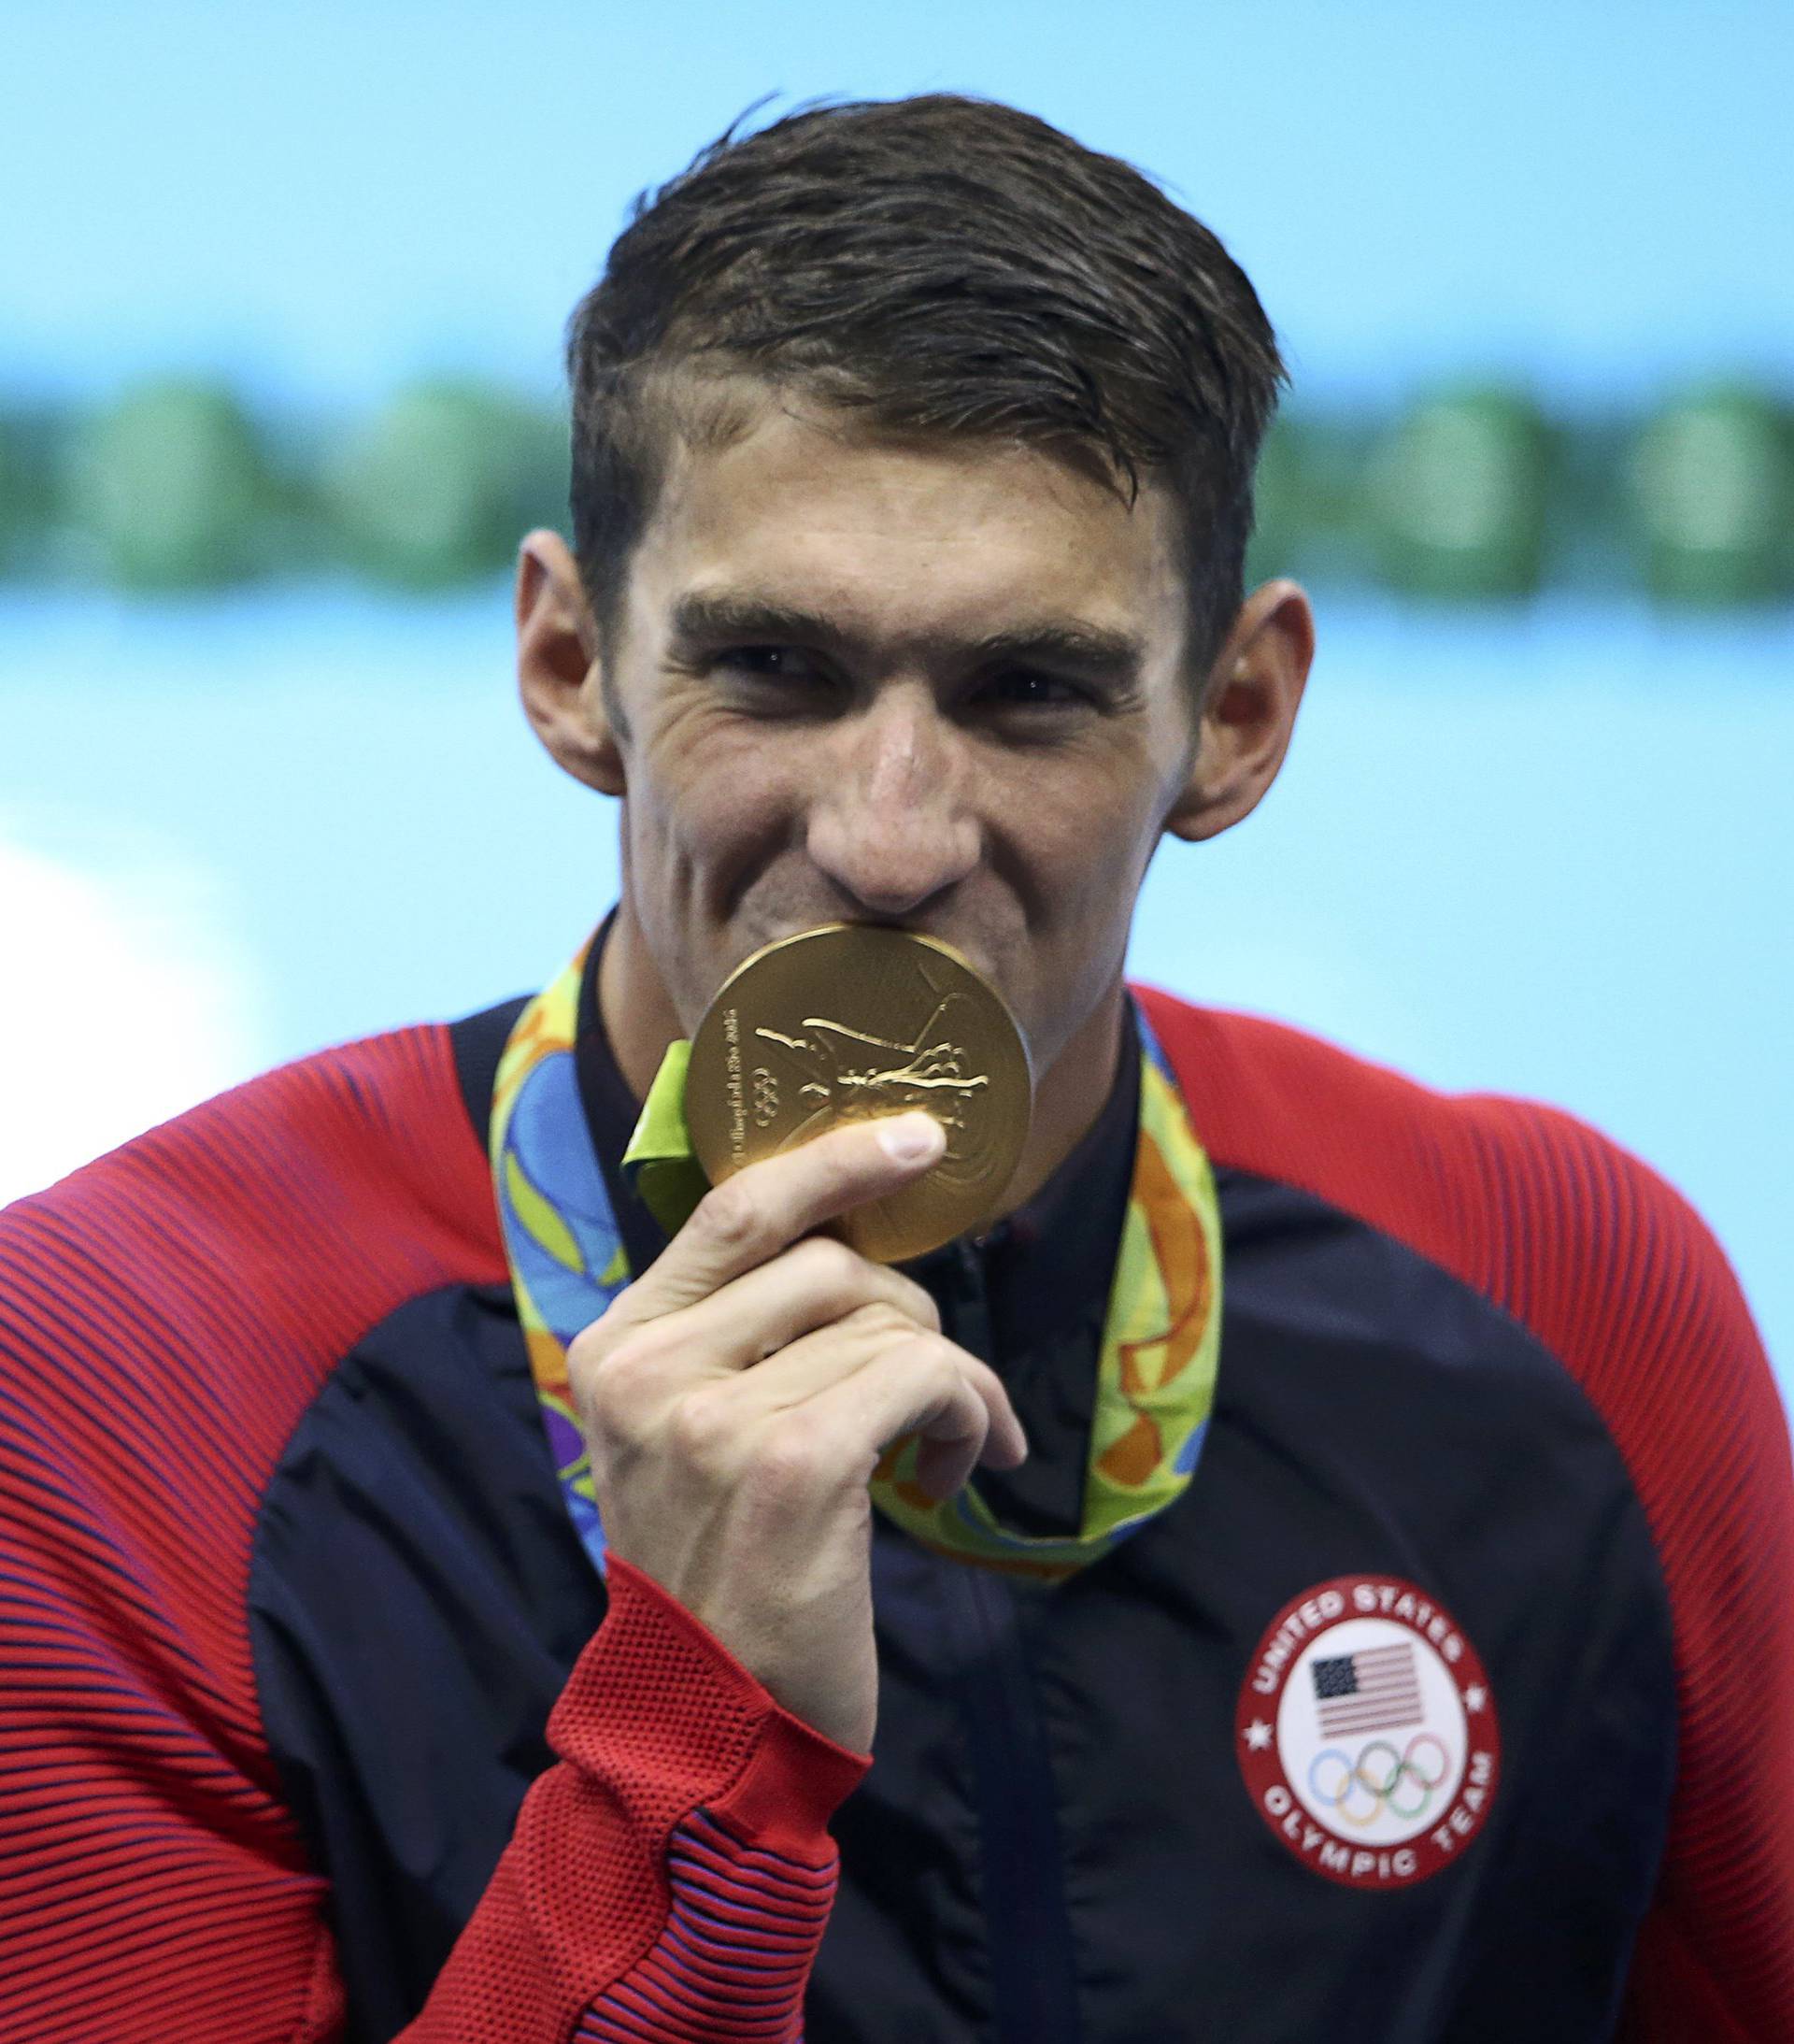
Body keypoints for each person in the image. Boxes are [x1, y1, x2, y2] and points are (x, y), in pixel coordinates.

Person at [1, 92, 1789, 2044]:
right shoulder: (127, 1377)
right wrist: (692, 1738)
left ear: (1239, 716)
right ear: (570, 664)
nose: (889, 832)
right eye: (776, 670)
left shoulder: (1563, 1301)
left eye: (1030, 691)